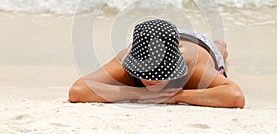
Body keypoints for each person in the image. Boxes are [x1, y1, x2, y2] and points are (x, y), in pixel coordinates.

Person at [69, 19, 245, 108]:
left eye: (162, 73)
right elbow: (78, 91)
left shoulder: (193, 67)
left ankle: (220, 46)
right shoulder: (127, 61)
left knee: (219, 55)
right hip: (153, 41)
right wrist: (139, 93)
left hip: (198, 45)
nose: (153, 80)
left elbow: (235, 96)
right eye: (146, 73)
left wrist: (178, 96)